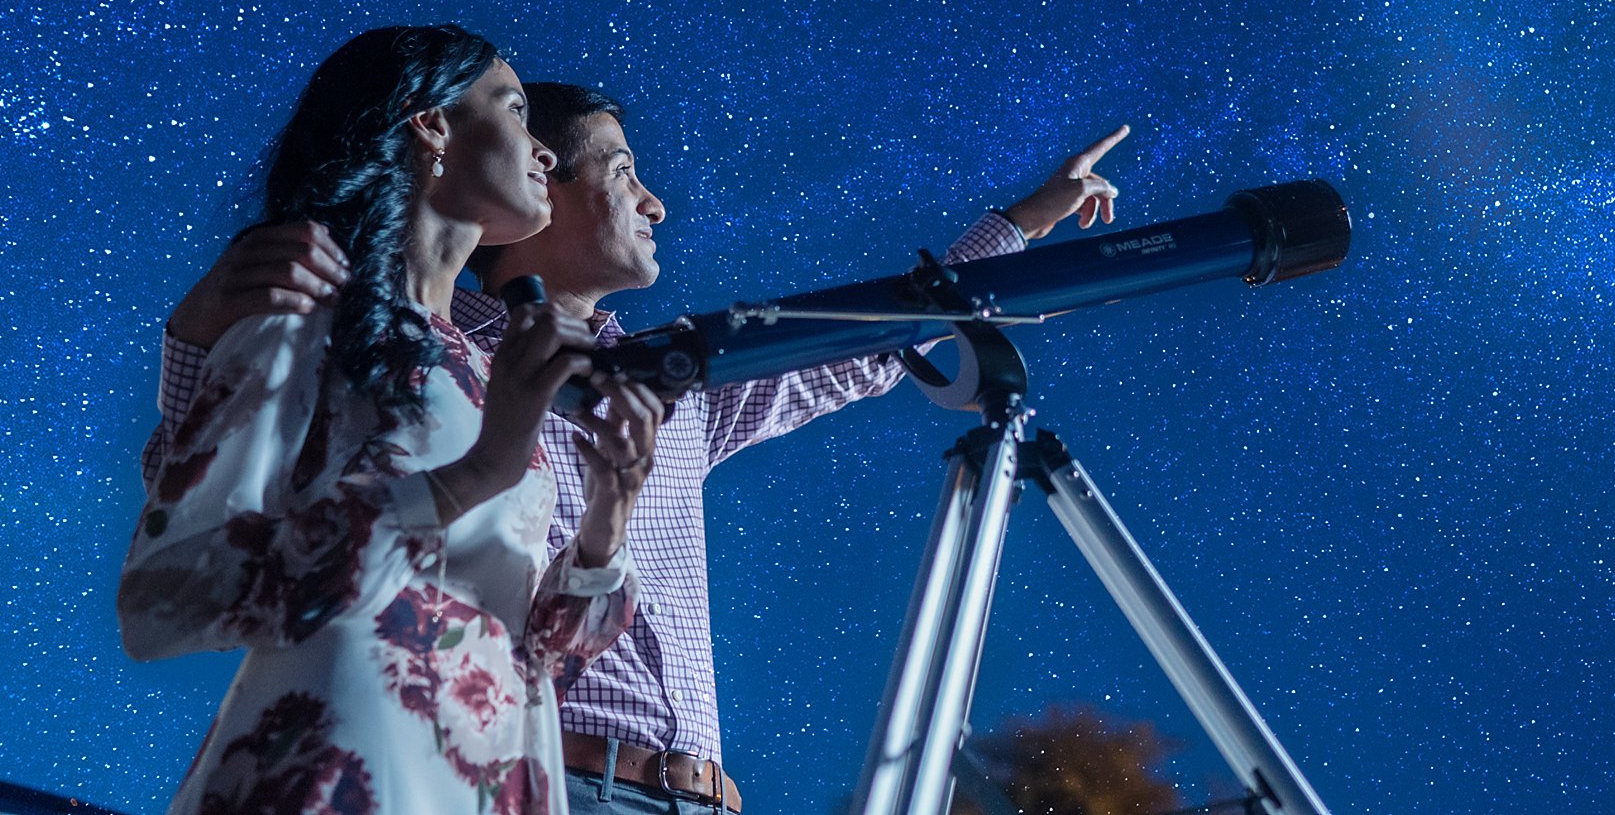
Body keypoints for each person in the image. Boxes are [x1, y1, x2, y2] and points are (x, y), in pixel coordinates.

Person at [151, 79, 1129, 814]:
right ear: (543, 192)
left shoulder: (679, 379)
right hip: (543, 779)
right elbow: (224, 480)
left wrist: (1026, 219)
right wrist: (195, 335)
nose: (656, 202)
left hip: (701, 795)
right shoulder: (433, 361)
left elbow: (866, 345)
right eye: (625, 172)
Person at [121, 28, 666, 815]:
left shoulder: (487, 373)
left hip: (486, 782)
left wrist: (608, 519)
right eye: (515, 112)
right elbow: (164, 597)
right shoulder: (308, 320)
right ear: (431, 125)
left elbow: (539, 650)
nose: (543, 153)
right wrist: (478, 472)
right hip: (343, 770)